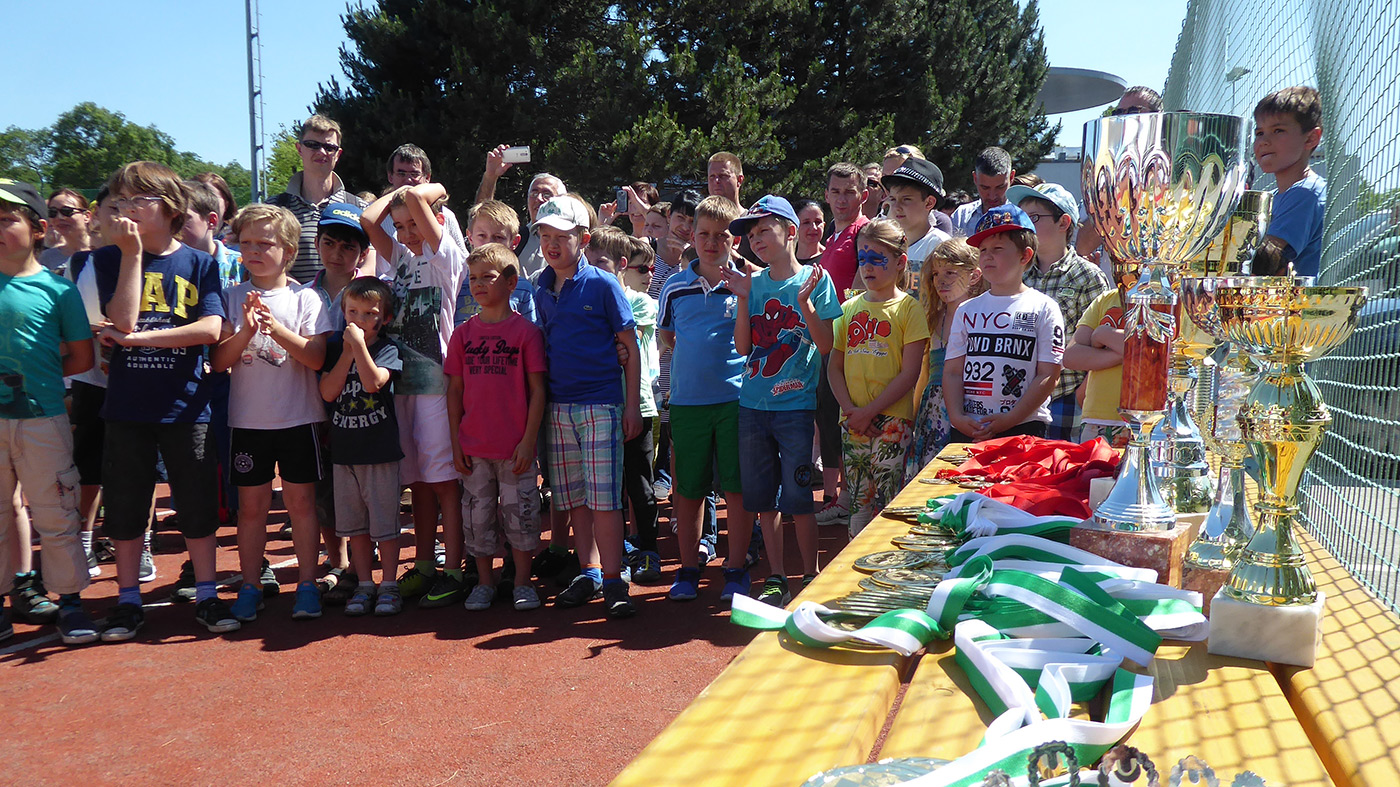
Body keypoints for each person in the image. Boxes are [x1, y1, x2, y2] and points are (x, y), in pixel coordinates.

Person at [91, 161, 239, 639]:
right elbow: (122, 319)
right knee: (127, 505)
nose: (128, 208)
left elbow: (211, 329)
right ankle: (128, 600)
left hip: (186, 405)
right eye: (123, 200)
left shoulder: (199, 263)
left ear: (171, 207)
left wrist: (137, 341)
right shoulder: (111, 258)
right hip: (128, 407)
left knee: (196, 503)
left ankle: (207, 595)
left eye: (140, 199)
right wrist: (133, 254)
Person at [211, 204, 331, 622]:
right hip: (248, 422)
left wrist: (275, 329)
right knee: (251, 509)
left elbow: (317, 358)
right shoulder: (231, 297)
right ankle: (250, 585)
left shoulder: (306, 298)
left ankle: (308, 585)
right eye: (246, 243)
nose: (254, 251)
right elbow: (219, 361)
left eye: (265, 243)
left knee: (301, 504)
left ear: (289, 250)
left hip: (299, 419)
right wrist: (246, 329)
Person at [724, 195, 841, 606]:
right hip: (752, 407)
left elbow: (825, 345)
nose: (756, 239)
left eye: (764, 230)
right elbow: (743, 347)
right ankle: (776, 577)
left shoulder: (816, 278)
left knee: (799, 499)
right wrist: (743, 298)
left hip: (795, 409)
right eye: (751, 234)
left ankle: (810, 574)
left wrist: (805, 303)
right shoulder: (751, 284)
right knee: (763, 501)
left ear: (791, 232)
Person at [530, 196, 642, 617]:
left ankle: (614, 580)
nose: (552, 244)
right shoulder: (540, 287)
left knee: (605, 500)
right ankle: (590, 572)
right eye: (545, 236)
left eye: (562, 236)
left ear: (584, 238)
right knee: (574, 497)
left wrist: (631, 407)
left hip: (601, 405)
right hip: (557, 408)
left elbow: (630, 346)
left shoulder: (603, 284)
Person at [0, 178, 99, 646]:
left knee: (57, 513)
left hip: (43, 419)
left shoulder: (58, 291)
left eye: (7, 220)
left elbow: (81, 358)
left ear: (39, 229)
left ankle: (71, 603)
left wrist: (33, 378)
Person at [360, 182, 468, 609]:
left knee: (444, 483)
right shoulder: (401, 257)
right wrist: (396, 196)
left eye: (413, 226)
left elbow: (425, 201)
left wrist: (414, 190)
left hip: (436, 387)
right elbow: (368, 220)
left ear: (436, 221)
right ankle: (424, 566)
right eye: (400, 227)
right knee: (419, 482)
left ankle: (454, 569)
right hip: (402, 385)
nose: (405, 234)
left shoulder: (446, 255)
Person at [656, 196, 758, 602]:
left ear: (735, 240)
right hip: (687, 403)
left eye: (721, 236)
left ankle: (735, 569)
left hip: (736, 402)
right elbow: (668, 336)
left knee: (737, 489)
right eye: (704, 235)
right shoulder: (674, 286)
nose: (712, 243)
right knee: (689, 490)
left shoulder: (747, 284)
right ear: (692, 237)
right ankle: (687, 570)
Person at [445, 244, 547, 612]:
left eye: (487, 277)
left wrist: (528, 441)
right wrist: (456, 443)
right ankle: (484, 583)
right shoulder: (462, 335)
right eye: (473, 278)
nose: (478, 284)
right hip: (474, 449)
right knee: (478, 519)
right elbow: (454, 391)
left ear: (511, 282)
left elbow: (538, 391)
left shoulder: (526, 333)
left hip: (515, 450)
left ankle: (522, 582)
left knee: (522, 518)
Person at [829, 219, 930, 535]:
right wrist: (851, 411)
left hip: (893, 420)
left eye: (877, 258)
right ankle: (853, 562)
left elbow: (910, 373)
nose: (868, 266)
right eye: (863, 258)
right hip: (853, 420)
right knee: (858, 502)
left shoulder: (909, 309)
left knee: (888, 499)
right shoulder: (847, 308)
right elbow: (834, 367)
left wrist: (869, 412)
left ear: (900, 262)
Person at [318, 277, 406, 616]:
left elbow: (372, 383)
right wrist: (348, 351)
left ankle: (389, 585)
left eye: (369, 314)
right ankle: (365, 584)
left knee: (385, 526)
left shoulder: (387, 349)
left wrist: (359, 348)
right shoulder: (336, 350)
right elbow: (328, 392)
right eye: (353, 312)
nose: (359, 320)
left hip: (379, 452)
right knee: (355, 527)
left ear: (385, 318)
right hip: (345, 455)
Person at [944, 205, 1065, 443]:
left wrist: (1010, 419)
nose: (987, 256)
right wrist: (957, 417)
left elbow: (1049, 375)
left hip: (1023, 427)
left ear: (1025, 256)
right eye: (983, 250)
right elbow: (952, 372)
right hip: (970, 427)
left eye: (997, 249)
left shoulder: (1044, 307)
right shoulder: (966, 310)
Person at [583, 228, 660, 582]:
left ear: (622, 265)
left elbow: (627, 345)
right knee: (607, 490)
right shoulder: (585, 298)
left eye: (601, 263)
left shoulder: (640, 301)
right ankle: (617, 556)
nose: (593, 270)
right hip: (599, 405)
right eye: (588, 263)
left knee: (640, 484)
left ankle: (649, 551)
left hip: (636, 405)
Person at [1008, 182, 1112, 441]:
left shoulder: (1087, 276)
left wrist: (1081, 396)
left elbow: (1098, 344)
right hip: (1015, 396)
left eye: (1034, 218)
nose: (1025, 226)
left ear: (1063, 223)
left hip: (1065, 397)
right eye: (1022, 218)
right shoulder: (1016, 273)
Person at [306, 202, 373, 602]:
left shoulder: (372, 293)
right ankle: (338, 562)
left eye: (348, 247)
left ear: (362, 254)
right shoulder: (301, 294)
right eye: (329, 242)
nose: (337, 253)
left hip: (363, 407)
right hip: (314, 404)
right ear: (317, 243)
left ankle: (366, 562)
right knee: (323, 488)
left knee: (365, 486)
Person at [814, 163, 867, 528]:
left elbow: (862, 289)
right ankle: (845, 498)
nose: (841, 199)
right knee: (831, 420)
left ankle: (850, 499)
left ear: (864, 195)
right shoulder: (835, 235)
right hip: (829, 340)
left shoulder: (864, 232)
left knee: (844, 419)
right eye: (835, 192)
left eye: (849, 192)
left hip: (849, 341)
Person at [905, 239, 986, 480]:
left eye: (950, 272)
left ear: (974, 276)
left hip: (968, 405)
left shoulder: (983, 317)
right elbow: (924, 372)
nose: (941, 280)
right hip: (932, 410)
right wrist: (913, 415)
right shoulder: (932, 318)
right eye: (936, 274)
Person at [267, 114, 368, 284]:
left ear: (338, 154)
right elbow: (266, 260)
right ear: (299, 149)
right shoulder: (274, 208)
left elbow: (370, 260)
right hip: (292, 298)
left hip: (346, 299)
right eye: (313, 145)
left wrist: (347, 294)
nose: (321, 152)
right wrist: (304, 294)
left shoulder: (359, 207)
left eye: (329, 147)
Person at [1252, 86, 1326, 278]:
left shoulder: (1306, 194)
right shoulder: (1275, 196)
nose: (1264, 141)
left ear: (1311, 138)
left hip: (1294, 298)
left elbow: (1266, 262)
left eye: (1278, 130)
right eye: (1259, 133)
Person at [1063, 288, 1128, 448]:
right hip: (1096, 420)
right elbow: (1071, 356)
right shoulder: (1106, 299)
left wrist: (1103, 335)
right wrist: (1127, 352)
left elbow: (1158, 351)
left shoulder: (1169, 298)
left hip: (1148, 421)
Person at [455, 200, 537, 324]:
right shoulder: (457, 281)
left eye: (498, 237)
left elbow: (533, 332)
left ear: (514, 242)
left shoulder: (523, 289)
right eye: (482, 236)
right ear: (470, 237)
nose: (489, 243)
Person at [382, 144, 468, 256]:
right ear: (390, 177)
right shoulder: (380, 218)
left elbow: (463, 258)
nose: (408, 180)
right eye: (401, 174)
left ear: (427, 177)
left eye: (414, 174)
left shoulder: (445, 215)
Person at [881, 159, 952, 290]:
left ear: (929, 203)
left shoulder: (940, 247)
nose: (896, 207)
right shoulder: (881, 244)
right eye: (892, 199)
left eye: (906, 199)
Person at [952, 147, 1015, 237]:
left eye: (1000, 187)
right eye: (985, 188)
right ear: (975, 178)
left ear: (1011, 177)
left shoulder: (1023, 215)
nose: (992, 196)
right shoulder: (961, 216)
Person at [39, 189, 92, 273]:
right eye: (52, 212)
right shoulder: (46, 258)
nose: (59, 217)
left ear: (86, 216)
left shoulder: (102, 250)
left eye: (67, 211)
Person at [793, 198, 826, 265]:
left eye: (817, 222)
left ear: (824, 225)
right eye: (806, 222)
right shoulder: (787, 261)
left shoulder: (831, 258)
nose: (813, 227)